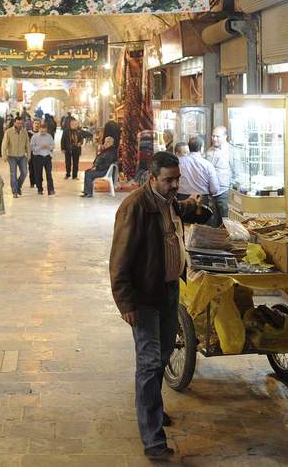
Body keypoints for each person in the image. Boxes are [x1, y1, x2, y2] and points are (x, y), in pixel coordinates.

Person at [109, 151, 204, 461]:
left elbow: (175, 223)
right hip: (145, 296)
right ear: (152, 179)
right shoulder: (135, 207)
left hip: (169, 290)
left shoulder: (167, 201)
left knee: (162, 355)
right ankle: (152, 438)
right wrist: (125, 301)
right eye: (169, 180)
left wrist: (193, 207)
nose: (175, 184)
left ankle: (154, 409)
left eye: (177, 179)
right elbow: (120, 259)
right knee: (150, 362)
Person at [177, 136, 222, 227]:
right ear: (201, 148)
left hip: (182, 200)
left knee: (183, 227)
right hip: (202, 202)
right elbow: (214, 189)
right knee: (201, 231)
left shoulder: (179, 162)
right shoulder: (207, 165)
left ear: (189, 148)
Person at [206, 126, 237, 224]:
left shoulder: (231, 151)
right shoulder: (209, 151)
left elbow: (237, 171)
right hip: (210, 194)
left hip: (224, 193)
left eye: (217, 137)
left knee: (226, 222)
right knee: (212, 223)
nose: (214, 139)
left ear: (225, 137)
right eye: (213, 136)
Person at [3, 116, 30, 198]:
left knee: (24, 173)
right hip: (12, 156)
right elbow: (4, 144)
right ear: (14, 123)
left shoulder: (24, 132)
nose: (19, 125)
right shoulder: (8, 132)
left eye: (21, 123)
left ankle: (18, 186)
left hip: (22, 156)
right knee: (13, 174)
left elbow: (27, 144)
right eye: (18, 123)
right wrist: (4, 155)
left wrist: (28, 155)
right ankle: (14, 191)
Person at [29, 122, 56, 195]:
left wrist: (48, 147)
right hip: (38, 157)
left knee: (49, 174)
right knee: (38, 174)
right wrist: (39, 147)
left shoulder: (49, 136)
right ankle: (40, 189)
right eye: (42, 131)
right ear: (39, 129)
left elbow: (53, 146)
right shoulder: (35, 137)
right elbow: (31, 148)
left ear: (46, 130)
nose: (43, 132)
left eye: (44, 131)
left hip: (47, 157)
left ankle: (51, 190)